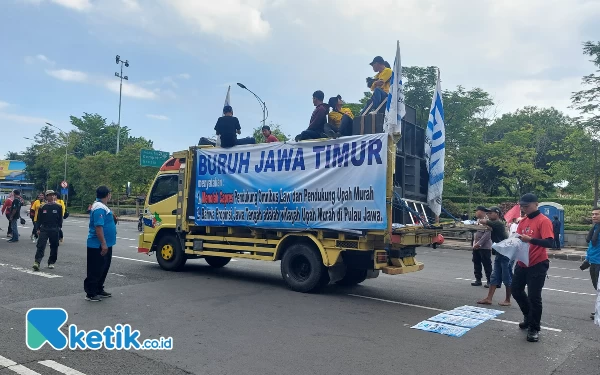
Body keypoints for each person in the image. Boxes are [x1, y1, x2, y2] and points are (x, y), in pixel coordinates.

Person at [512, 193, 554, 343]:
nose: (524, 209)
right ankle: (529, 316)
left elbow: (550, 243)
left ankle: (534, 328)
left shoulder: (544, 221)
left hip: (537, 263)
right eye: (522, 206)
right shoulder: (523, 222)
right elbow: (517, 239)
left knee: (534, 297)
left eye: (527, 206)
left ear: (536, 204)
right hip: (522, 262)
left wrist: (531, 240)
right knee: (515, 290)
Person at [84, 186, 117, 302]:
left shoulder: (102, 206)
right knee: (95, 269)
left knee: (103, 268)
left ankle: (98, 289)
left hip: (106, 243)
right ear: (108, 194)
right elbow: (98, 226)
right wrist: (103, 243)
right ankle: (91, 293)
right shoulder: (99, 208)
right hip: (97, 245)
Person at [477, 207, 512, 306]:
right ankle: (489, 298)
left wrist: (480, 215)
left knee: (507, 276)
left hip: (505, 253)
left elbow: (483, 221)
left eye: (490, 213)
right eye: (488, 213)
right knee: (494, 276)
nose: (488, 215)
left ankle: (508, 300)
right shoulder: (495, 224)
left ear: (497, 214)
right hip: (499, 253)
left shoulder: (498, 223)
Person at [32, 190, 63, 271]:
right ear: (46, 196)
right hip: (44, 228)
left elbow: (60, 219)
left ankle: (51, 262)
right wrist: (38, 228)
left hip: (54, 228)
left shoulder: (59, 206)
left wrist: (59, 227)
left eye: (53, 195)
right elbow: (39, 219)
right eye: (50, 195)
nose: (52, 196)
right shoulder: (42, 207)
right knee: (41, 245)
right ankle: (37, 262)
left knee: (54, 246)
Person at [582, 207, 600, 320]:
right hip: (593, 262)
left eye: (597, 214)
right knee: (596, 287)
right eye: (593, 214)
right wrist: (587, 259)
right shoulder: (595, 228)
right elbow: (591, 246)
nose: (594, 216)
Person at [471, 205, 493, 287]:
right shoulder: (477, 220)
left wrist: (479, 244)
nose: (476, 213)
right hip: (476, 246)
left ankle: (490, 281)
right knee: (476, 263)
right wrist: (474, 244)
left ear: (481, 211)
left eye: (477, 211)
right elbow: (476, 233)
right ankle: (478, 279)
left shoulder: (488, 221)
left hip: (485, 247)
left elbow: (487, 234)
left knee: (487, 264)